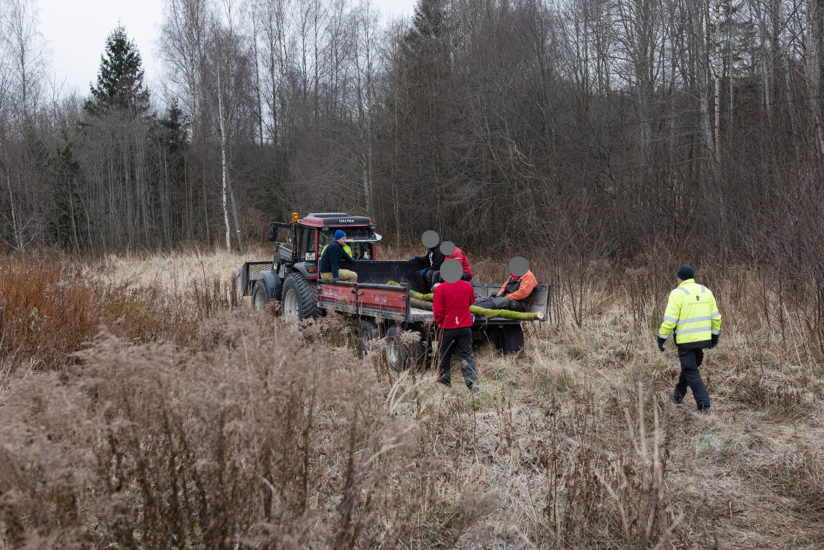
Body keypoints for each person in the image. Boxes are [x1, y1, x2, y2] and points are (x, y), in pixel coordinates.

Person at [657, 265, 721, 414]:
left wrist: (661, 339)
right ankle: (677, 395)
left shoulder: (677, 293)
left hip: (685, 341)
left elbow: (670, 321)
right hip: (703, 340)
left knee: (691, 371)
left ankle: (704, 406)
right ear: (692, 277)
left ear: (679, 278)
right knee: (690, 368)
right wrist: (714, 337)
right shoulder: (706, 291)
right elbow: (716, 318)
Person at [432, 259, 479, 392]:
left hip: (448, 327)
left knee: (444, 355)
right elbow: (471, 301)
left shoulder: (440, 289)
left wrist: (440, 323)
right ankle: (472, 383)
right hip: (465, 327)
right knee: (465, 355)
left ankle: (445, 384)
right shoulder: (467, 286)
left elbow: (438, 312)